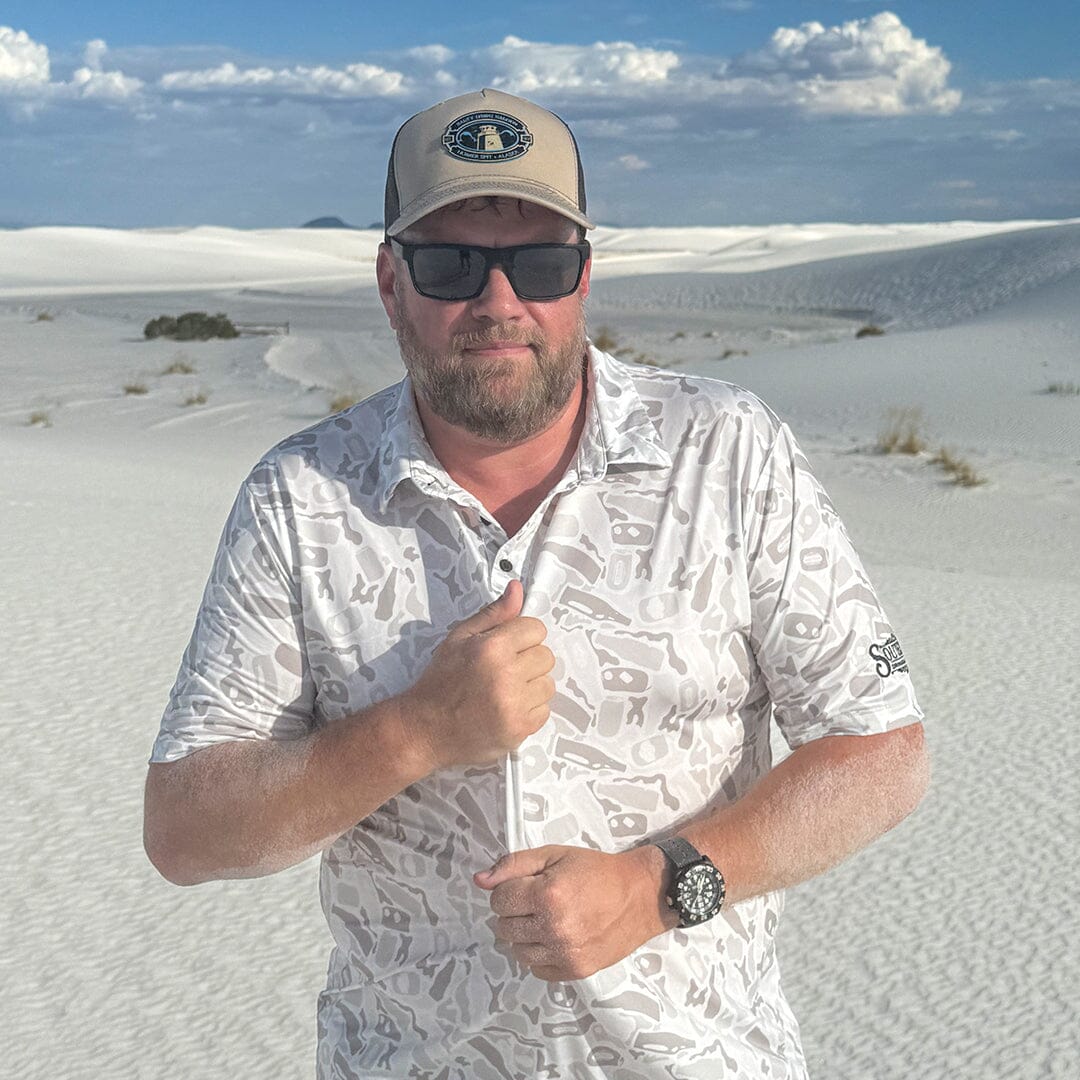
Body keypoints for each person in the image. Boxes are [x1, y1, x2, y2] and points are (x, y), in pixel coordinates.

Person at [144, 87, 929, 1079]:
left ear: (584, 278)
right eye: (450, 263)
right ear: (390, 283)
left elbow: (883, 749)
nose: (498, 303)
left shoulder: (728, 454)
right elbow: (186, 829)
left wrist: (659, 888)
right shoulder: (301, 500)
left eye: (541, 262)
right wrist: (415, 731)